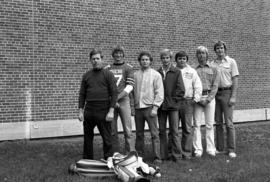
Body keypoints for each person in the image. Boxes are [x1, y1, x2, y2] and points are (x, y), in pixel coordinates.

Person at [78, 49, 118, 160]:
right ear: (90, 60)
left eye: (97, 58)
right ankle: (87, 160)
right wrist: (80, 110)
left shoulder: (108, 74)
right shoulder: (86, 75)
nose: (95, 61)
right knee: (87, 137)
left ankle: (108, 160)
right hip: (89, 109)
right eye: (93, 59)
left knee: (107, 138)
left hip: (104, 109)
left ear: (102, 59)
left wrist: (111, 111)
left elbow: (114, 93)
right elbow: (82, 94)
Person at [133, 51, 164, 163]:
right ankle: (139, 157)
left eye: (147, 59)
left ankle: (157, 157)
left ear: (150, 61)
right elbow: (132, 92)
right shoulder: (135, 75)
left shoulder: (156, 75)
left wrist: (155, 108)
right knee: (139, 134)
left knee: (154, 134)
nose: (145, 61)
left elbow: (159, 92)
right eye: (142, 60)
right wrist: (133, 106)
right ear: (139, 61)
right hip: (138, 108)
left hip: (150, 108)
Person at [105, 46, 135, 154]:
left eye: (120, 53)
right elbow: (105, 86)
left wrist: (116, 98)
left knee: (128, 129)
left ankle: (130, 153)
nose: (118, 55)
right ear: (113, 55)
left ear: (123, 54)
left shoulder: (128, 68)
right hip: (110, 100)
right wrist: (111, 99)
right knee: (112, 130)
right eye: (116, 53)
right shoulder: (107, 68)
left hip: (123, 100)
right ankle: (115, 154)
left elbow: (130, 86)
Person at [157, 49, 185, 162]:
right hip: (161, 107)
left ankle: (177, 155)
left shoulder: (176, 71)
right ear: (161, 59)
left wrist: (173, 101)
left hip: (173, 106)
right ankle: (163, 155)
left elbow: (181, 90)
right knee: (162, 131)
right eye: (163, 58)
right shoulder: (157, 72)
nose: (165, 60)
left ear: (170, 58)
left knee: (174, 131)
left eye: (167, 57)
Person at [212, 41, 239, 158]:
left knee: (229, 123)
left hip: (227, 93)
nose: (219, 50)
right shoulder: (212, 64)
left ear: (225, 49)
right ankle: (220, 148)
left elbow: (235, 80)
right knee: (218, 122)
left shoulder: (231, 62)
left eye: (221, 48)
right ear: (215, 50)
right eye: (217, 48)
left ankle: (231, 149)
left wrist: (233, 96)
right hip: (216, 94)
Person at [193, 46, 219, 157]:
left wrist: (208, 99)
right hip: (197, 99)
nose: (201, 55)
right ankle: (198, 150)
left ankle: (210, 149)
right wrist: (197, 99)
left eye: (203, 53)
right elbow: (192, 86)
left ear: (207, 55)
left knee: (209, 125)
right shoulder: (194, 70)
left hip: (209, 98)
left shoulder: (213, 68)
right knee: (196, 125)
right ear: (196, 55)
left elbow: (215, 86)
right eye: (199, 53)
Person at [175, 51, 202, 159]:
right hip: (175, 102)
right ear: (176, 60)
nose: (182, 60)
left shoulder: (192, 71)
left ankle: (186, 153)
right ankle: (175, 152)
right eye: (179, 58)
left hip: (187, 102)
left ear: (187, 60)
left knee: (187, 128)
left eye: (184, 58)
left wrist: (195, 100)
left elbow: (198, 86)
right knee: (174, 128)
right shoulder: (173, 70)